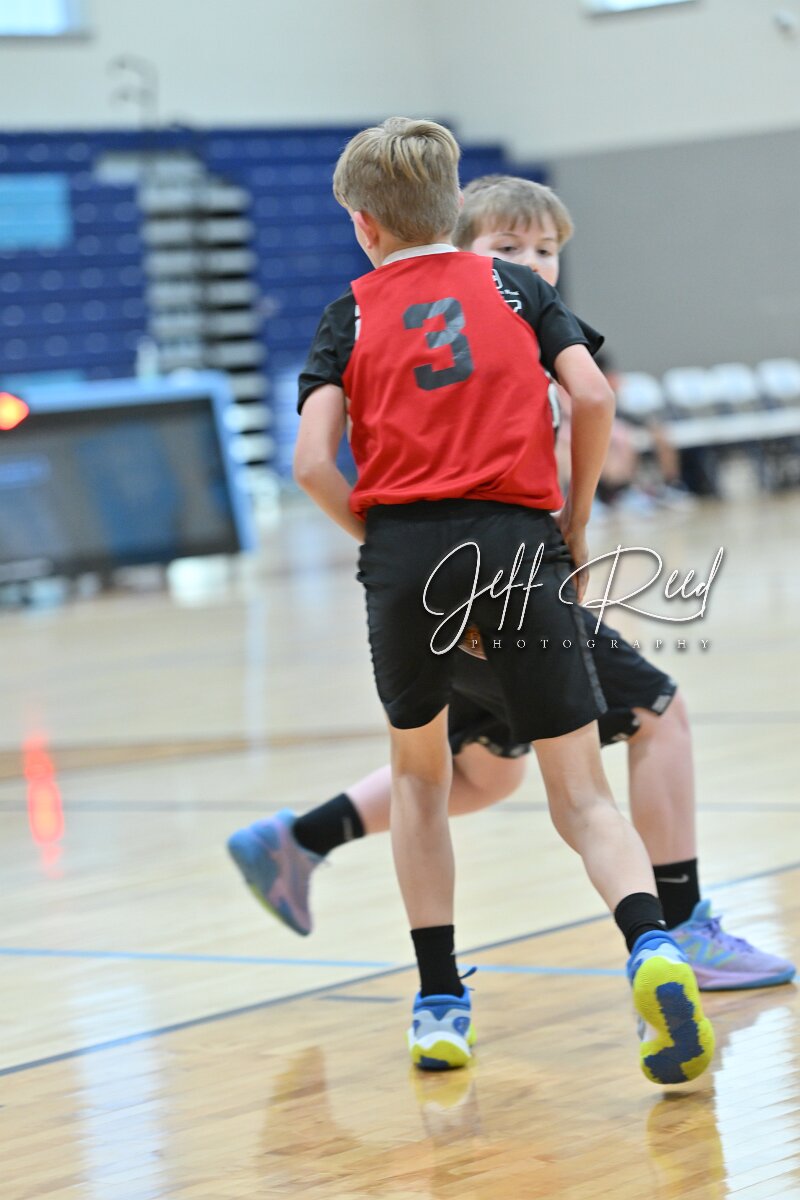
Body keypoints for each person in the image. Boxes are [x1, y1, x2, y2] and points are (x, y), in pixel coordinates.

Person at [232, 126, 716, 1084]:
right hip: (517, 542)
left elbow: (310, 464)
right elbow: (592, 399)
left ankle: (440, 1006)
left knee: (424, 781)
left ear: (363, 225)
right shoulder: (516, 290)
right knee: (581, 795)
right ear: (453, 209)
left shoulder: (348, 312)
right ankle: (652, 944)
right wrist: (574, 519)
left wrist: (381, 545)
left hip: (408, 557)